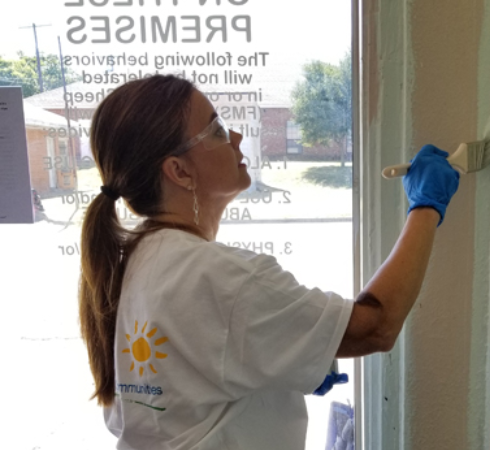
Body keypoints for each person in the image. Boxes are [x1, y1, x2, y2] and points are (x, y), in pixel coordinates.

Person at [78, 74, 459, 450]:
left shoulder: (132, 261)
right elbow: (377, 326)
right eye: (216, 130)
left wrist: (289, 358)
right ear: (179, 171)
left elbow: (187, 384)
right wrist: (425, 206)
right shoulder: (219, 276)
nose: (236, 138)